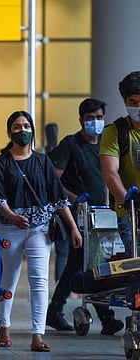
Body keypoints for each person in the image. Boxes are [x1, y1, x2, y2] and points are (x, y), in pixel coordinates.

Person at [0, 110, 82, 352]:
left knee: (39, 280)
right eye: (17, 127)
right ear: (9, 132)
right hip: (8, 227)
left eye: (26, 126)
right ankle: (4, 326)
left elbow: (59, 199)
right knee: (8, 278)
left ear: (32, 129)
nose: (22, 131)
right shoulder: (1, 163)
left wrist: (73, 228)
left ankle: (37, 334)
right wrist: (12, 216)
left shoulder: (43, 162)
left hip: (39, 228)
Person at [46, 98, 124, 335]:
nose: (95, 122)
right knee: (90, 262)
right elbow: (52, 179)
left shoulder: (106, 146)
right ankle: (104, 316)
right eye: (90, 118)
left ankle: (58, 310)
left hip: (103, 215)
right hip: (80, 215)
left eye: (99, 118)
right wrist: (74, 199)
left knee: (84, 263)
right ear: (81, 120)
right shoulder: (71, 145)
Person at [100, 71, 140, 260]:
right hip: (129, 214)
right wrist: (129, 200)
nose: (138, 106)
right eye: (133, 102)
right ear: (125, 102)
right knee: (136, 264)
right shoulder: (115, 132)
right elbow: (110, 171)